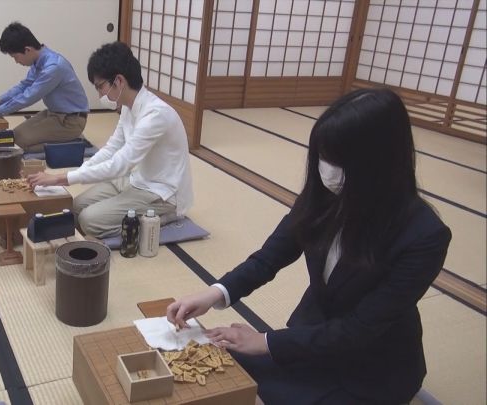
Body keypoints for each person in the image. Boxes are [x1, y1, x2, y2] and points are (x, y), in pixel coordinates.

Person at [166, 88, 451, 404]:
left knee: (253, 386)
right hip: (310, 339)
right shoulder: (325, 195)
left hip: (371, 367)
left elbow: (359, 329)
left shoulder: (423, 236)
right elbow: (269, 257)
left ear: (379, 162)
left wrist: (265, 342)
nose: (325, 169)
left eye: (337, 160)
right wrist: (215, 293)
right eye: (321, 157)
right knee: (222, 361)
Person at [26, 41, 193, 238]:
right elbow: (111, 149)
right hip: (135, 180)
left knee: (89, 220)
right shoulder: (128, 107)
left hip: (161, 193)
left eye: (100, 87)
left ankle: (164, 218)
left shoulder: (155, 115)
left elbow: (120, 164)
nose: (99, 94)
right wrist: (76, 173)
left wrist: (60, 178)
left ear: (119, 81)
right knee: (76, 206)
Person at [0, 22, 89, 153]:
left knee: (18, 144)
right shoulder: (39, 61)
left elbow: (28, 97)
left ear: (27, 50)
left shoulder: (53, 67)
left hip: (70, 121)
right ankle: (64, 138)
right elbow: (24, 86)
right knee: (14, 135)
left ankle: (74, 142)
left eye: (15, 57)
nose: (16, 61)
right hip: (54, 114)